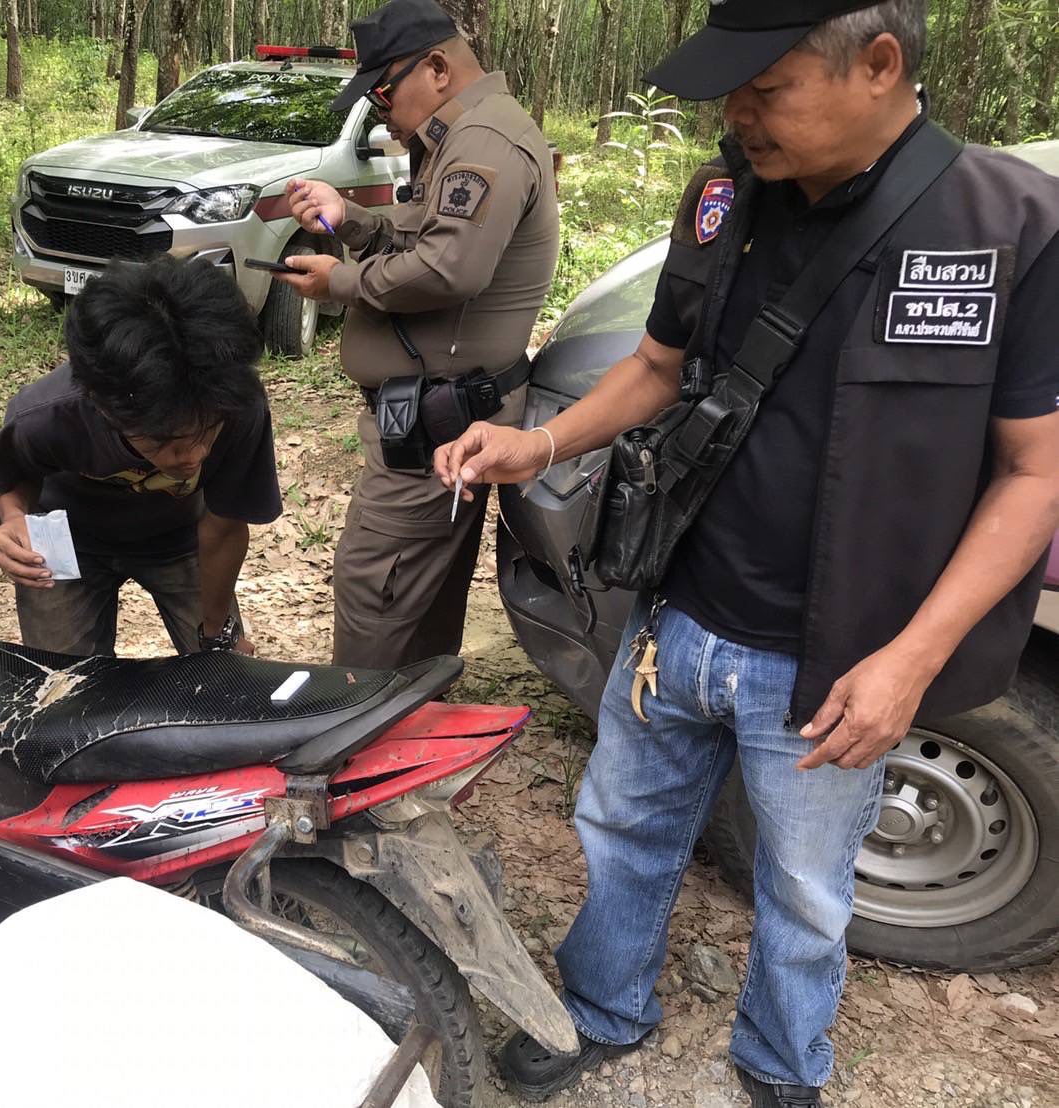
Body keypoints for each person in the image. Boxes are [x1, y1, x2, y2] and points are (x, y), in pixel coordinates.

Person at [436, 2, 1059, 1106]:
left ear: (879, 64)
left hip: (839, 659)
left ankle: (781, 1061)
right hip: (676, 616)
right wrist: (539, 442)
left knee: (808, 887)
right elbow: (658, 367)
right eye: (732, 92)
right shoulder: (724, 200)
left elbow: (1033, 473)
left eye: (768, 89)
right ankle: (602, 1007)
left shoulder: (1010, 225)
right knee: (621, 827)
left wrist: (912, 660)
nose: (739, 115)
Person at [275, 0, 559, 670]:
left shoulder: (483, 141)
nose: (380, 111)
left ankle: (363, 720)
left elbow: (448, 267)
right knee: (416, 592)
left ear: (436, 68)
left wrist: (340, 283)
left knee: (377, 585)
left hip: (437, 419)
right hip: (435, 413)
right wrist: (348, 220)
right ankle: (412, 714)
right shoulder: (462, 136)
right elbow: (425, 235)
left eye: (382, 92)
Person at [0, 257, 283, 657]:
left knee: (222, 672)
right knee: (64, 680)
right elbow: (9, 477)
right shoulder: (47, 415)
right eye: (165, 441)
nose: (194, 456)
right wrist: (14, 518)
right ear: (102, 407)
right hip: (70, 538)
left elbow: (224, 528)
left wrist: (216, 634)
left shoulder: (236, 403)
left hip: (181, 536)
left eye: (208, 431)